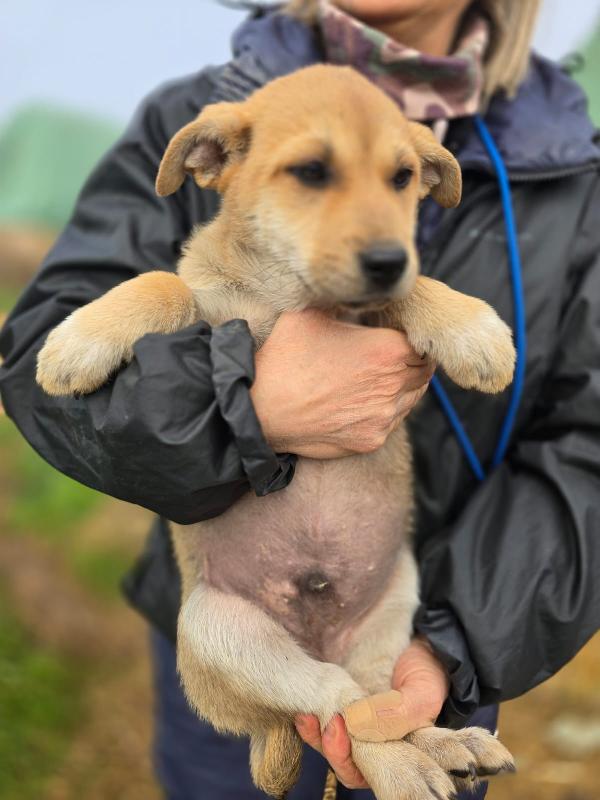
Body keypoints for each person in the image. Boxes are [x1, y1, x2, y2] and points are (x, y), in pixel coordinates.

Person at [1, 0, 599, 797]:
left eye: (397, 178)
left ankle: (386, 739)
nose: (378, 229)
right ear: (211, 159)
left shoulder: (575, 176)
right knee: (224, 646)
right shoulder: (201, 118)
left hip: (422, 630)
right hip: (240, 613)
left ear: (425, 175)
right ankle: (344, 717)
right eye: (314, 172)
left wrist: (452, 647)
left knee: (398, 725)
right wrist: (253, 405)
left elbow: (586, 446)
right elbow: (43, 366)